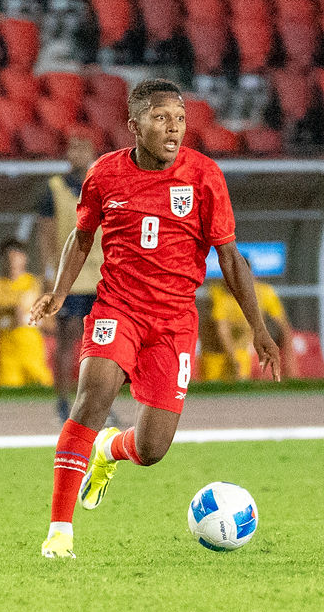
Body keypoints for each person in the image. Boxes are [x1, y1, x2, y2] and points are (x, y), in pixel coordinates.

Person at [29, 78, 281, 560]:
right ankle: (59, 531)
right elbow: (80, 237)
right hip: (117, 308)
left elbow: (230, 260)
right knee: (93, 396)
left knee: (152, 448)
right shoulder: (104, 174)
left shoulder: (205, 176)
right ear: (134, 125)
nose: (174, 128)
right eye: (162, 118)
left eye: (181, 119)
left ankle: (109, 451)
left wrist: (260, 328)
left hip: (173, 323)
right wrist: (59, 292)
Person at [35, 134, 104, 421]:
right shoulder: (53, 189)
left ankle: (100, 405)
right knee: (68, 342)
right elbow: (45, 235)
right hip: (70, 277)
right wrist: (49, 273)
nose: (78, 153)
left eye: (83, 147)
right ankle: (65, 403)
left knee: (104, 345)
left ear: (93, 152)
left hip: (102, 276)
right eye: (73, 148)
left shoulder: (103, 185)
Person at [0, 238, 53, 388]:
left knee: (43, 393)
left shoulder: (36, 284)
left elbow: (52, 324)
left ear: (25, 258)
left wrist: (29, 319)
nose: (12, 262)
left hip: (33, 353)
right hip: (7, 356)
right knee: (8, 398)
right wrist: (8, 319)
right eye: (8, 258)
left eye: (16, 257)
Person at [201, 263, 294, 380]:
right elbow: (222, 330)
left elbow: (284, 327)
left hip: (241, 352)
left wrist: (290, 363)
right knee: (212, 393)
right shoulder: (218, 293)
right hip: (215, 354)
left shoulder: (264, 292)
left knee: (241, 389)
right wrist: (233, 358)